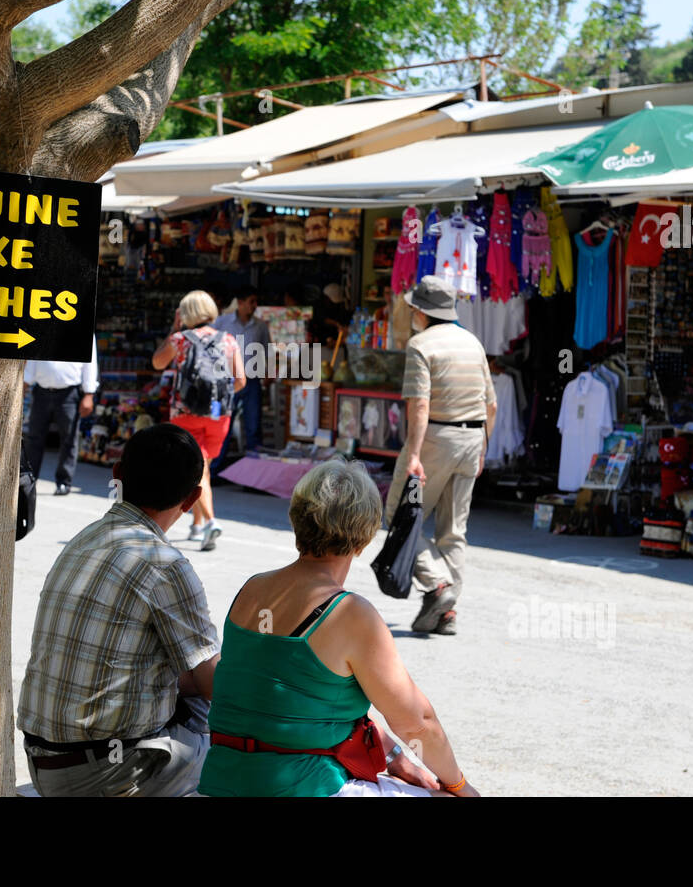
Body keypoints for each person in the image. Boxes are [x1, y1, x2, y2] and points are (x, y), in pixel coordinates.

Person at [198, 459, 478, 797]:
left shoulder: (251, 590)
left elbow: (287, 698)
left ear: (296, 519)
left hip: (221, 782)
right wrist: (460, 786)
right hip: (303, 787)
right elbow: (417, 721)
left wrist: (395, 757)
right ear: (364, 538)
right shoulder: (350, 613)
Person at [17, 423, 221, 797]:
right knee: (233, 748)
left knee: (190, 691)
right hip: (106, 772)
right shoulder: (165, 564)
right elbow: (213, 682)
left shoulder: (84, 538)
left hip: (43, 760)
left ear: (116, 474)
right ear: (192, 499)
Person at [386, 276, 496, 636]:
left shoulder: (421, 345)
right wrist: (483, 447)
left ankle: (437, 586)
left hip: (434, 440)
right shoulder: (473, 342)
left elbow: (419, 404)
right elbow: (491, 405)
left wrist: (414, 453)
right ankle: (447, 615)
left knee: (399, 516)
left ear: (420, 312)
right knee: (453, 532)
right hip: (472, 440)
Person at [152, 290, 246, 551]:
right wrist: (216, 401)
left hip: (186, 413)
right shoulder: (227, 340)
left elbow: (158, 363)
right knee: (202, 468)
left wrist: (173, 329)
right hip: (218, 415)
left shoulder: (181, 340)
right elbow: (240, 380)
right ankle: (196, 525)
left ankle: (211, 522)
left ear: (185, 313)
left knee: (197, 469)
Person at [23, 336, 98, 495]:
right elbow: (33, 357)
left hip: (69, 393)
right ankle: (29, 480)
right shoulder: (43, 322)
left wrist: (89, 393)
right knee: (34, 438)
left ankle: (64, 482)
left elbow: (90, 363)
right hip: (41, 391)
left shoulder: (81, 327)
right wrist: (24, 384)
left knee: (69, 438)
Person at [211, 284, 271, 470]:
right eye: (251, 302)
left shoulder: (260, 326)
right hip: (227, 380)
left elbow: (266, 352)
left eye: (256, 302)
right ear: (240, 302)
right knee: (222, 425)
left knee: (253, 426)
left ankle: (253, 473)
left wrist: (267, 374)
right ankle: (214, 470)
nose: (254, 306)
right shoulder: (222, 322)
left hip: (251, 381)